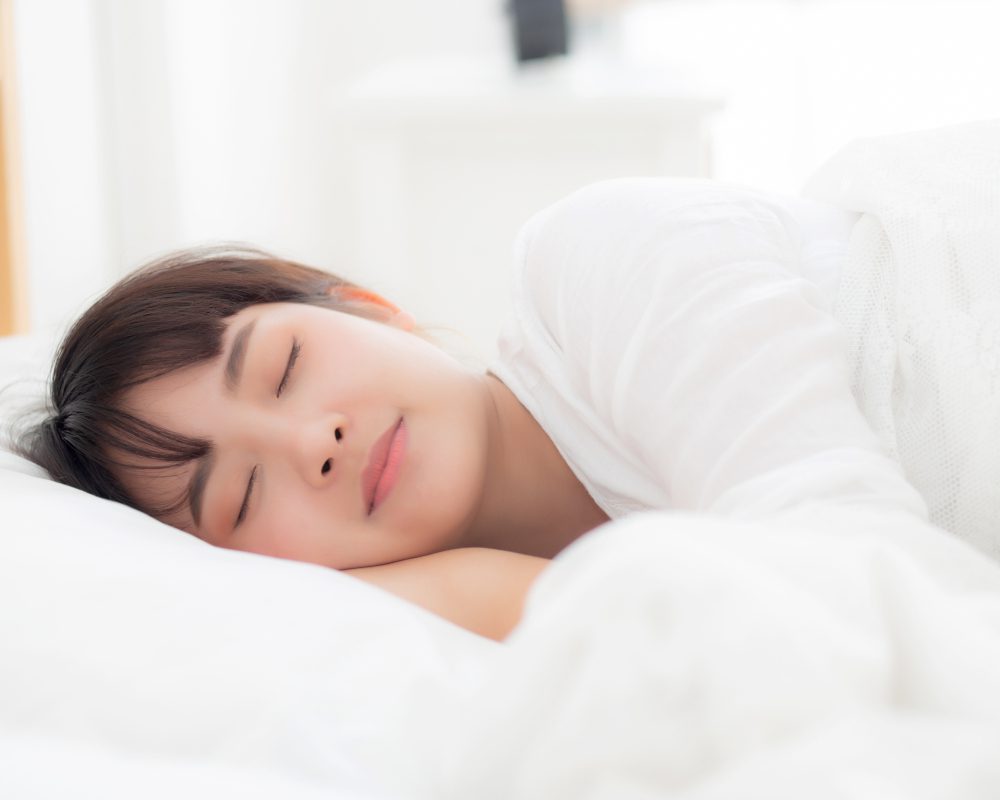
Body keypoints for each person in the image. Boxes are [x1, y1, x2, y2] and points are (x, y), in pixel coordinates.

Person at [15, 177, 929, 641]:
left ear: (367, 302)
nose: (314, 443)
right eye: (242, 497)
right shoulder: (496, 627)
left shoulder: (602, 263)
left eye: (285, 365)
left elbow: (871, 591)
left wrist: (478, 592)